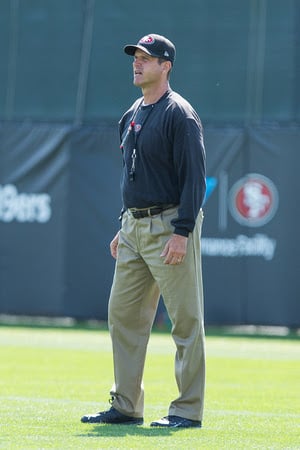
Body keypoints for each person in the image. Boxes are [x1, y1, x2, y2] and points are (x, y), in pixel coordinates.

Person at [81, 33, 206, 428]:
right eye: (135, 56)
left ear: (166, 66)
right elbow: (134, 174)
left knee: (185, 321)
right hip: (134, 227)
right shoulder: (132, 112)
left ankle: (186, 410)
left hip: (170, 224)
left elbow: (194, 179)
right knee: (123, 315)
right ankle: (127, 404)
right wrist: (125, 223)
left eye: (146, 58)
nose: (137, 62)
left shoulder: (179, 114)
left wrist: (182, 231)